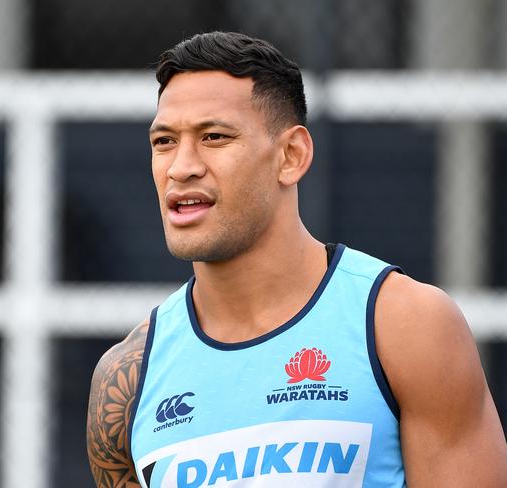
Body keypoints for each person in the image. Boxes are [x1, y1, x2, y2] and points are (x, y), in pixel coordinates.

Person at [86, 31, 507, 487]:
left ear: (291, 155)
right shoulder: (125, 378)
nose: (181, 166)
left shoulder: (405, 324)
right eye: (164, 141)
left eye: (214, 136)